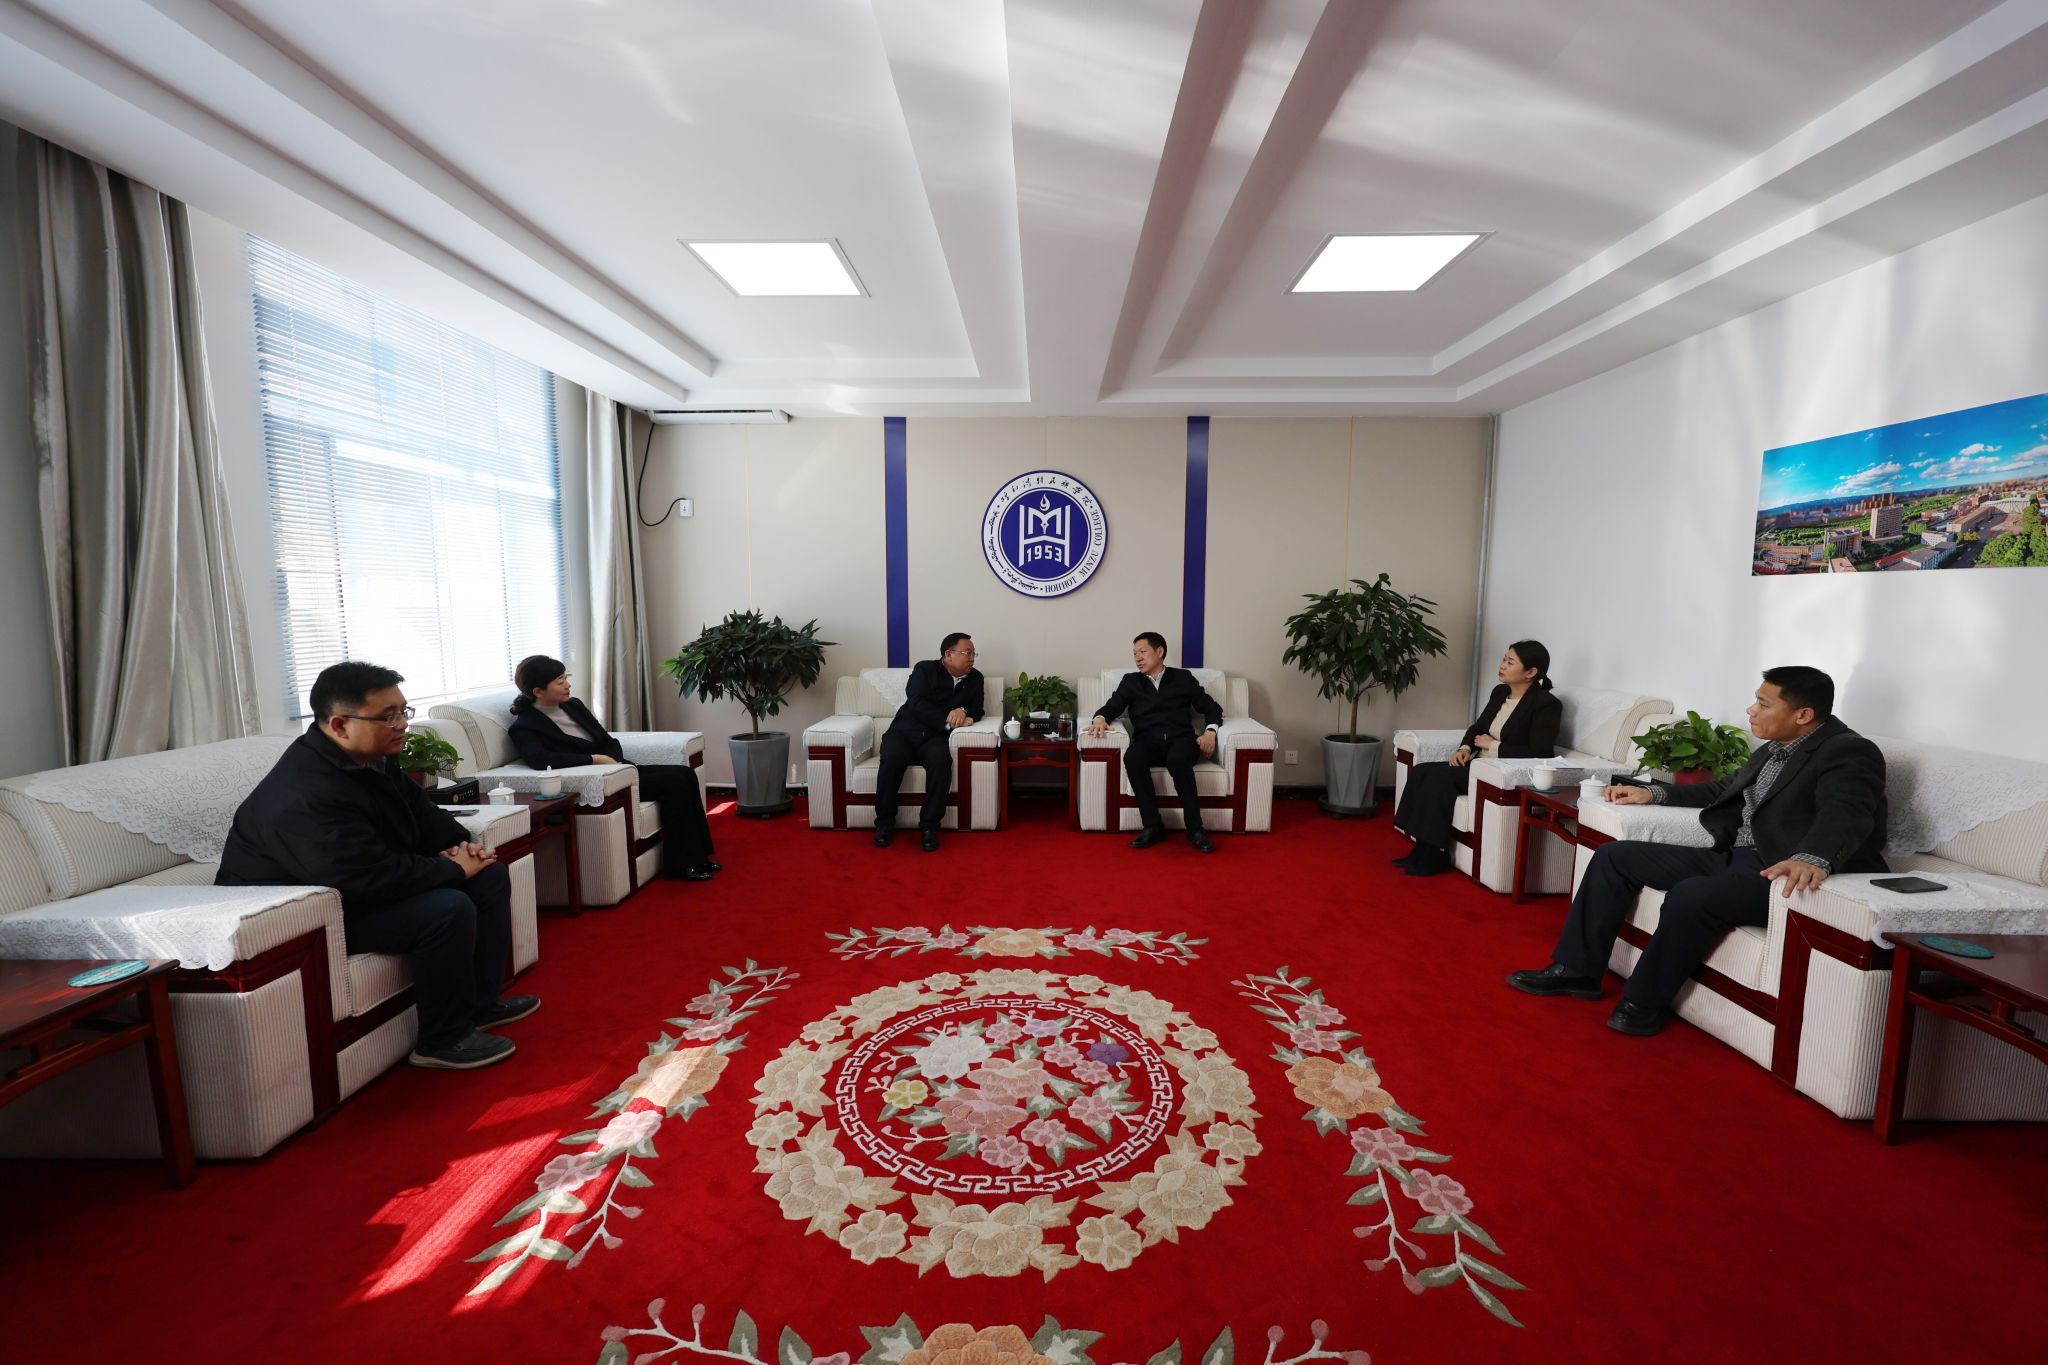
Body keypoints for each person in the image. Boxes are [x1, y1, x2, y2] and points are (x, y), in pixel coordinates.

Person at [1508, 666, 1887, 1036]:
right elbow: (1723, 790)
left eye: (1763, 704)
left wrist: (1812, 856)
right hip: (1739, 856)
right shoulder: (1776, 748)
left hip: (1779, 873)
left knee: (1692, 895)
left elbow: (1847, 812)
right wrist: (1653, 793)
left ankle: (1642, 1003)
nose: (1751, 710)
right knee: (1615, 857)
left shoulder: (1849, 751)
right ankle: (1577, 971)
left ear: (1802, 715)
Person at [218, 661, 536, 1071]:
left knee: (488, 877)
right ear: (339, 724)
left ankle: (480, 1005)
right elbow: (362, 877)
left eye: (403, 711)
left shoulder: (369, 758)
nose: (402, 724)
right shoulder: (306, 791)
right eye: (388, 716)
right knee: (447, 908)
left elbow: (421, 814)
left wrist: (461, 847)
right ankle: (442, 1040)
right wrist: (453, 870)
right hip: (305, 918)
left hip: (352, 890)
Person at [507, 655, 719, 881]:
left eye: (565, 678)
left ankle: (699, 856)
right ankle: (680, 865)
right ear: (538, 691)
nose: (568, 685)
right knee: (674, 783)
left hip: (619, 769)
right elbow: (540, 759)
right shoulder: (525, 726)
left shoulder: (573, 706)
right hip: (600, 779)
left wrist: (615, 761)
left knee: (685, 774)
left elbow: (605, 738)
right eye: (560, 682)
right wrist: (595, 760)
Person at [1392, 641, 1561, 876]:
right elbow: (1478, 727)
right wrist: (1464, 747)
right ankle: (1421, 849)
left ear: (1530, 672)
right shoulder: (1500, 692)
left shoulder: (1546, 704)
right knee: (1423, 770)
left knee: (1440, 778)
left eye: (1510, 662)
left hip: (1501, 770)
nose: (1502, 665)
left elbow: (1540, 752)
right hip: (1479, 763)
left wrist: (1494, 745)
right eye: (1504, 659)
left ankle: (1435, 854)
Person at [1086, 632, 1223, 854]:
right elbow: (1112, 707)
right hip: (1148, 741)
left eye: (1142, 652)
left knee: (1178, 759)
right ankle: (1152, 826)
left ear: (1159, 652)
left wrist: (1210, 732)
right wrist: (1100, 719)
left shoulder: (1182, 678)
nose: (1137, 658)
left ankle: (1195, 829)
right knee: (1132, 757)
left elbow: (1212, 708)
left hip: (1181, 740)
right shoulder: (1131, 682)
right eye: (1134, 654)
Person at [874, 633, 984, 853]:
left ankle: (929, 827)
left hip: (936, 738)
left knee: (941, 760)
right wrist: (948, 718)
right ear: (948, 655)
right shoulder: (924, 669)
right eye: (967, 653)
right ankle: (884, 823)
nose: (972, 658)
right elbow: (916, 702)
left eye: (974, 654)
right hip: (904, 732)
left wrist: (963, 710)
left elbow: (978, 708)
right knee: (892, 758)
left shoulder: (975, 678)